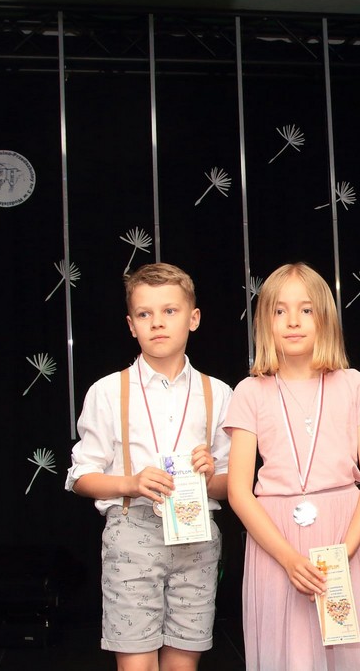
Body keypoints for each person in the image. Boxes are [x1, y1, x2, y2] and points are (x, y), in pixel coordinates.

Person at [223, 263, 360, 671]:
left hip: (344, 534)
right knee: (291, 657)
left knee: (353, 657)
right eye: (280, 311)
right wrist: (287, 558)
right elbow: (238, 491)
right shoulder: (249, 392)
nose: (293, 321)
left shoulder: (354, 385)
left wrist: (344, 550)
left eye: (306, 309)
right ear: (264, 322)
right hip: (276, 542)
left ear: (325, 317)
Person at [65, 262, 232, 671]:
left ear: (193, 318)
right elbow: (81, 477)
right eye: (145, 314)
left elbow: (233, 485)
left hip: (197, 536)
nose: (157, 322)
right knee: (136, 664)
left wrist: (211, 476)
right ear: (131, 325)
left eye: (169, 311)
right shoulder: (107, 391)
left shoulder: (219, 393)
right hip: (132, 532)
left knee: (183, 664)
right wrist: (131, 483)